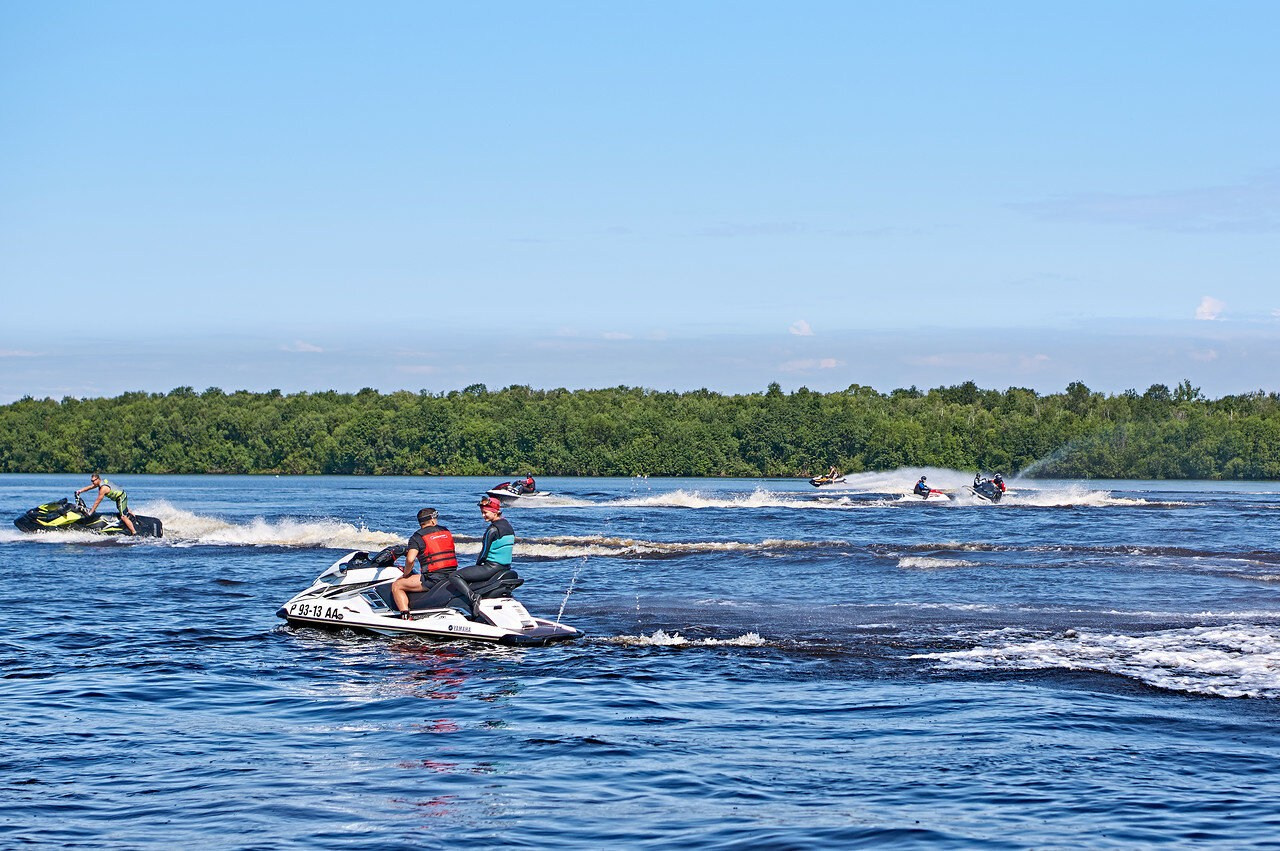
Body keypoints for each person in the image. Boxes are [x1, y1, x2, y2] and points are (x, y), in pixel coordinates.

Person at [391, 508, 479, 620]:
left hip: (433, 579)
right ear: (432, 521)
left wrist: (405, 575)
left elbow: (410, 559)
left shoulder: (416, 537)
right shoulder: (446, 531)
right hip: (453, 575)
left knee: (397, 585)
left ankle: (405, 616)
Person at [474, 496, 515, 568]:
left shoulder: (492, 529)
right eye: (482, 512)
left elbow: (484, 553)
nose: (483, 515)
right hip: (506, 566)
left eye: (485, 512)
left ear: (495, 513)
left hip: (491, 567)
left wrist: (477, 566)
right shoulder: (508, 526)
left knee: (455, 575)